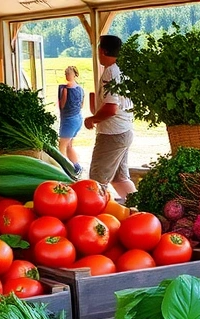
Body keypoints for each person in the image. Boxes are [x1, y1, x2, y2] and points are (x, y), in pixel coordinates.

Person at [84, 35, 136, 198]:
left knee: (96, 180)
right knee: (119, 178)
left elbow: (111, 108)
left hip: (112, 134)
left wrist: (93, 119)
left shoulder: (110, 72)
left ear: (102, 50)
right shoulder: (123, 70)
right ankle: (141, 209)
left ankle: (97, 218)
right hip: (125, 131)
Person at [57, 66, 84, 173]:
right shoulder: (80, 89)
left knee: (62, 146)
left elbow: (62, 105)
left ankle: (63, 169)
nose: (66, 75)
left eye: (67, 74)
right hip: (78, 119)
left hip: (68, 120)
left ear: (73, 75)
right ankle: (76, 166)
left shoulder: (65, 89)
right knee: (69, 145)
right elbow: (81, 105)